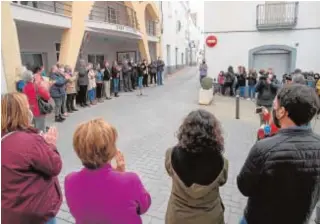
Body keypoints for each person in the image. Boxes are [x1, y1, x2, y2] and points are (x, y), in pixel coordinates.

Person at [237, 84, 320, 224]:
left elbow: (244, 186)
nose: (273, 108)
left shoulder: (264, 148)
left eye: (275, 105)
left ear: (282, 112)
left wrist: (263, 142)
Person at [64, 118, 151, 224]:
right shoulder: (130, 180)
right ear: (110, 149)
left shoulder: (70, 180)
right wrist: (121, 175)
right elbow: (144, 206)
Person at [1, 92, 62, 224]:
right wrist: (50, 145)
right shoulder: (29, 141)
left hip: (9, 212)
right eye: (28, 107)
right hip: (35, 213)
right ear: (22, 112)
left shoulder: (4, 138)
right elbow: (55, 166)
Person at [165, 109, 228, 224]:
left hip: (178, 217)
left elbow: (169, 170)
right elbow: (223, 181)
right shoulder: (221, 161)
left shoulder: (172, 154)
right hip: (210, 218)